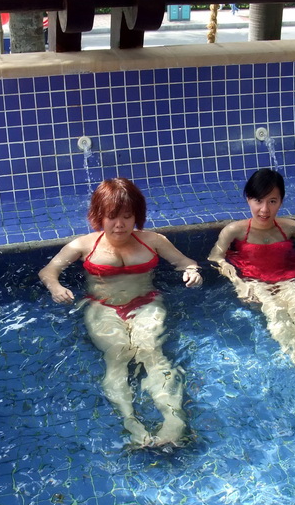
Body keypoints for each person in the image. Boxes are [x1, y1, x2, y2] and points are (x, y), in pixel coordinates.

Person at [39, 177, 203, 448]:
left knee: (152, 353)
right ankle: (132, 423)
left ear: (136, 216)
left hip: (145, 303)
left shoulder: (153, 240)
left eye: (127, 217)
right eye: (112, 217)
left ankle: (174, 421)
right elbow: (48, 271)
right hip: (103, 306)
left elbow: (185, 261)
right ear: (98, 216)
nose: (119, 224)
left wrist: (191, 271)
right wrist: (56, 287)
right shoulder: (84, 245)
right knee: (117, 354)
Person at [208, 168, 295, 400]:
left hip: (288, 279)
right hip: (256, 282)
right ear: (248, 199)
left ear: (281, 201)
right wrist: (238, 283)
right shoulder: (234, 231)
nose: (264, 209)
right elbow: (216, 257)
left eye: (272, 201)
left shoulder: (292, 227)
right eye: (258, 200)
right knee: (279, 321)